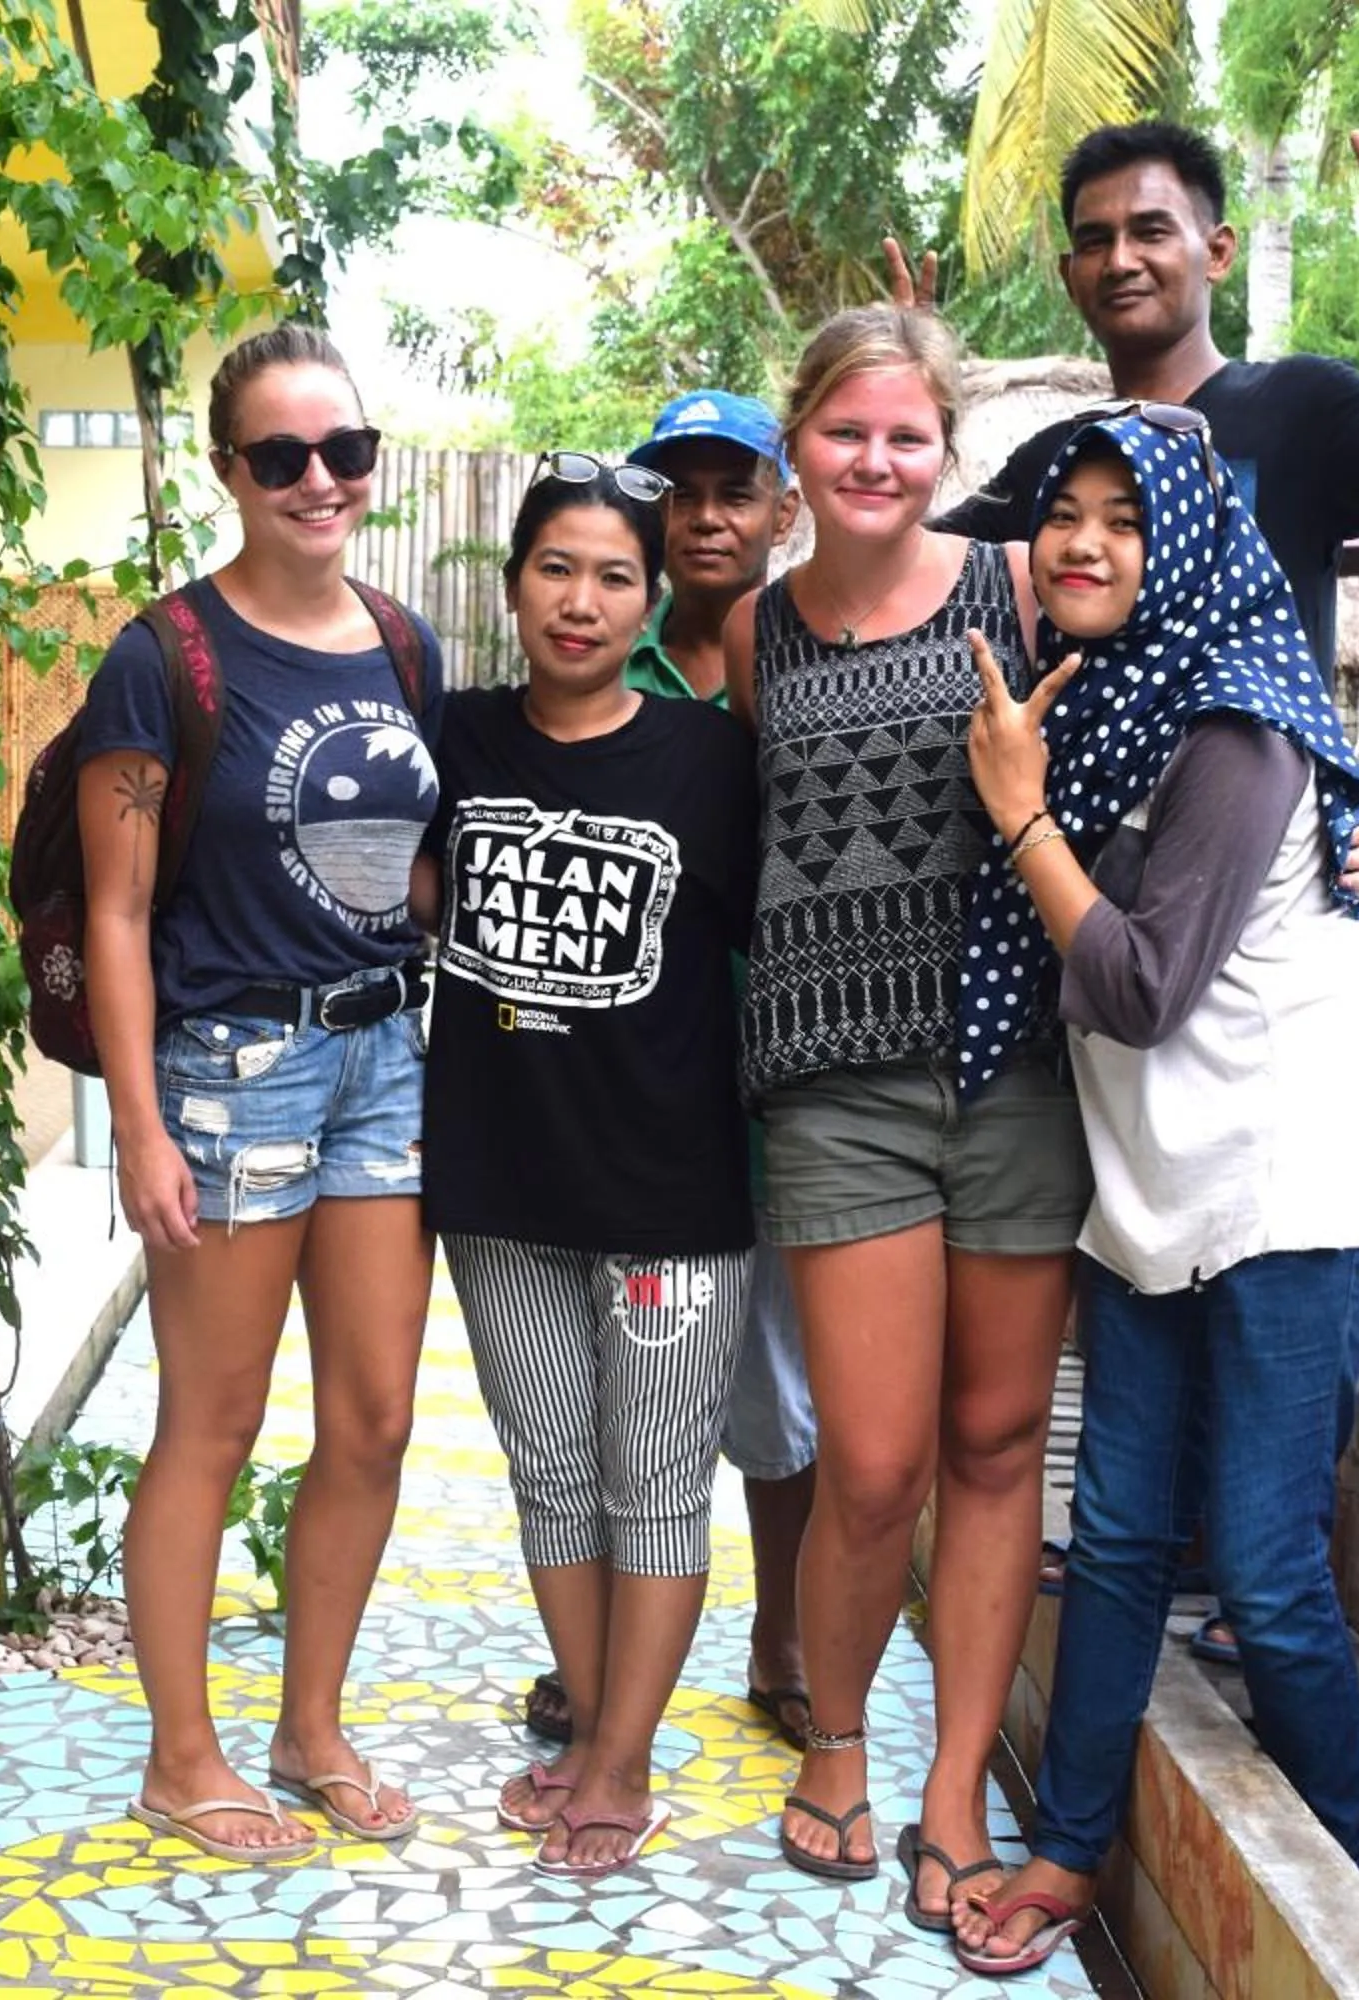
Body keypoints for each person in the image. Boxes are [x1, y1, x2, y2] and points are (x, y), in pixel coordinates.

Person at [946, 411, 1359, 1975]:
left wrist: (1019, 815)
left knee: (1268, 1560)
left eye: (1127, 519)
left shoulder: (1229, 721)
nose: (1084, 543)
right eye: (1062, 515)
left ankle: (1345, 1887)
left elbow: (1146, 984)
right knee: (1116, 1533)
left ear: (1193, 547)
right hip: (1159, 1179)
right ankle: (1071, 1849)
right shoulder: (1088, 704)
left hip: (1298, 1174)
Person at [725, 307, 1085, 1928]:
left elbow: (1144, 750)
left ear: (947, 451)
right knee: (872, 1464)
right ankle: (841, 1731)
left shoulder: (1015, 592)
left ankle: (953, 1789)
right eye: (845, 432)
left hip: (1011, 1066)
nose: (876, 461)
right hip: (834, 1090)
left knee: (997, 1443)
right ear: (798, 445)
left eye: (906, 436)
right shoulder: (753, 633)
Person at [76, 324, 445, 1862]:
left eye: (344, 451)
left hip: (384, 1057)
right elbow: (113, 908)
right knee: (211, 1423)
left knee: (373, 1420)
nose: (318, 480)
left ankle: (311, 1724)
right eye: (281, 455)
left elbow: (425, 870)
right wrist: (140, 1126)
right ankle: (182, 1755)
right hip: (233, 1071)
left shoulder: (406, 642)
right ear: (231, 472)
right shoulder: (166, 658)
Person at [420, 456, 760, 1876]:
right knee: (550, 1472)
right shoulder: (454, 738)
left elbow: (771, 936)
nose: (582, 600)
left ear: (652, 596)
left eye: (616, 575)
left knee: (658, 1483)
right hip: (502, 1186)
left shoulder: (710, 759)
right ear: (513, 588)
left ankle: (619, 1765)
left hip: (672, 1195)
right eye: (557, 569)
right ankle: (592, 1736)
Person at [515, 390, 818, 1754]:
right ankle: (588, 1667)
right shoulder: (594, 661)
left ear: (780, 508)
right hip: (625, 1101)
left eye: (733, 491)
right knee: (584, 1399)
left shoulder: (812, 655)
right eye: (679, 493)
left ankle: (783, 1635)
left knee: (772, 1393)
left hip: (779, 1085)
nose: (706, 517)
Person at [927, 111, 1359, 677]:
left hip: (1255, 795)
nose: (1120, 261)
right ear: (1069, 276)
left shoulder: (1304, 409)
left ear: (1217, 252)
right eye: (1094, 241)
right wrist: (903, 387)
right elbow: (903, 565)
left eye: (1151, 232)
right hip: (1083, 798)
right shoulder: (1050, 460)